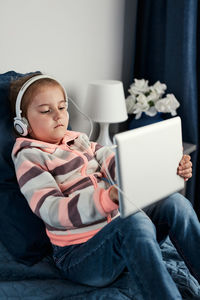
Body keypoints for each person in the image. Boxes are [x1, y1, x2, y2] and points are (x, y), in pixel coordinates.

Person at [10, 73, 197, 300]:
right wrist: (107, 197)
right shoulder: (30, 157)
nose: (58, 115)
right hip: (79, 256)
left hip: (117, 240)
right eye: (46, 111)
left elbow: (122, 163)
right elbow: (52, 210)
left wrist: (170, 170)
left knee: (176, 203)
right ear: (23, 125)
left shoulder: (81, 141)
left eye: (62, 107)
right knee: (133, 220)